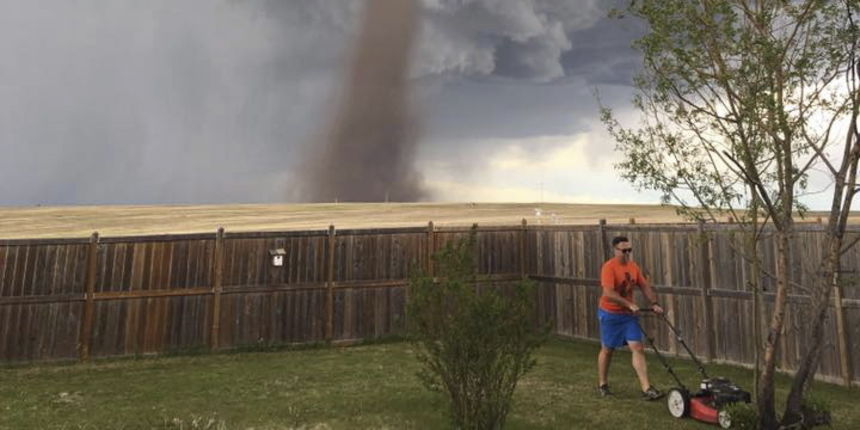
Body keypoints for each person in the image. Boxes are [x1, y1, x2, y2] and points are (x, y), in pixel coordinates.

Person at [597, 235, 664, 400]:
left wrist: (654, 303)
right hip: (610, 314)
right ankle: (603, 384)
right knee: (608, 349)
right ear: (615, 250)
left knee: (638, 347)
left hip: (628, 316)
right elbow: (608, 293)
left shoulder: (633, 266)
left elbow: (644, 285)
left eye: (629, 250)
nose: (627, 253)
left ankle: (646, 388)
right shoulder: (609, 267)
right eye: (624, 250)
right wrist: (628, 304)